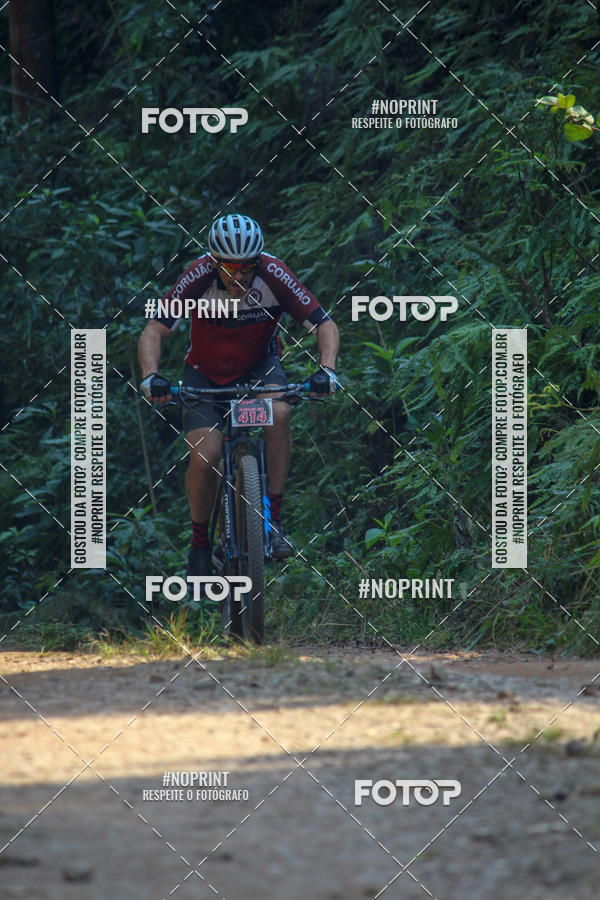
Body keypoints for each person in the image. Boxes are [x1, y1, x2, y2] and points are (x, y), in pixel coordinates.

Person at [138, 213, 340, 577]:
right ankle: (200, 542)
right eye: (231, 267)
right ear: (215, 263)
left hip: (259, 368)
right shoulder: (197, 277)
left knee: (279, 415)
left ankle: (273, 521)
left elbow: (324, 323)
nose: (241, 276)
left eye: (248, 267)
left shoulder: (274, 274)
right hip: (203, 375)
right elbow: (154, 330)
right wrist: (151, 377)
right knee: (207, 454)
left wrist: (327, 369)